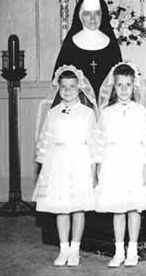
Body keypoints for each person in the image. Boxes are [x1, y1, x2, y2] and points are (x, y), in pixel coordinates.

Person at [32, 66, 97, 267]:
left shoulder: (87, 113)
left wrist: (94, 170)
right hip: (57, 162)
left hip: (80, 161)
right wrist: (43, 166)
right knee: (61, 208)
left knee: (78, 207)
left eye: (72, 87)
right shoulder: (52, 113)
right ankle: (64, 247)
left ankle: (75, 248)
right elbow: (45, 139)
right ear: (58, 89)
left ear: (79, 89)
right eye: (63, 87)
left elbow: (94, 142)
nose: (67, 91)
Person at [94, 62, 146, 267]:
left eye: (128, 85)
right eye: (120, 85)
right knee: (118, 208)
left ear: (134, 86)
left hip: (134, 161)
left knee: (134, 207)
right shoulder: (107, 113)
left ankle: (133, 250)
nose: (124, 89)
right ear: (114, 87)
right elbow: (100, 141)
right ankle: (119, 251)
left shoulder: (142, 111)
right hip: (114, 162)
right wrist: (99, 165)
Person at [53, 0, 122, 98]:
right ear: (80, 16)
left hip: (107, 103)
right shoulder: (71, 44)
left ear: (102, 16)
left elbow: (119, 78)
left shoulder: (111, 44)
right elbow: (62, 80)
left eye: (97, 13)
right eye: (87, 14)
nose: (93, 18)